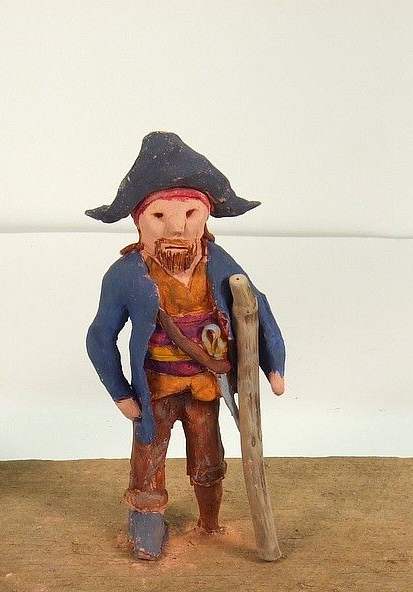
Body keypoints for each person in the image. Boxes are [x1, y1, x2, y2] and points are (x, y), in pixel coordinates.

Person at [86, 132, 286, 560]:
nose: (177, 228)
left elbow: (256, 306)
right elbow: (101, 335)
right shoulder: (126, 274)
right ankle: (147, 528)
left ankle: (209, 520)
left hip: (205, 387)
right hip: (155, 389)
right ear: (139, 220)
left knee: (208, 456)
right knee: (149, 458)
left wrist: (274, 365)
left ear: (205, 216)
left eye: (190, 214)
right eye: (160, 215)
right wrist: (121, 393)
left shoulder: (219, 262)